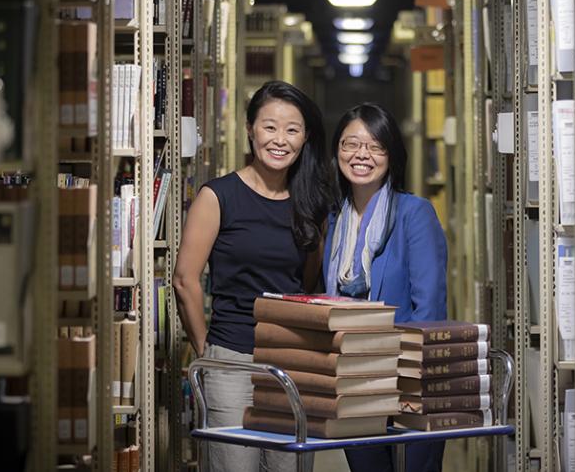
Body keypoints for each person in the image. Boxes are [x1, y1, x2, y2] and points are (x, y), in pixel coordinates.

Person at [172, 81, 332, 471]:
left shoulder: (312, 203)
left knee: (288, 466)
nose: (280, 140)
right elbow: (184, 279)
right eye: (270, 127)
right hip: (231, 361)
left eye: (292, 129)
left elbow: (310, 281)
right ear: (250, 129)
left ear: (305, 137)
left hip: (294, 361)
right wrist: (206, 347)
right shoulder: (217, 196)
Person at [323, 103, 448, 472]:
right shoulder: (330, 220)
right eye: (351, 144)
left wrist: (410, 385)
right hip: (350, 381)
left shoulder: (415, 213)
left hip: (407, 380)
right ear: (337, 152)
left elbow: (429, 309)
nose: (362, 155)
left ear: (391, 156)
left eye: (376, 146)